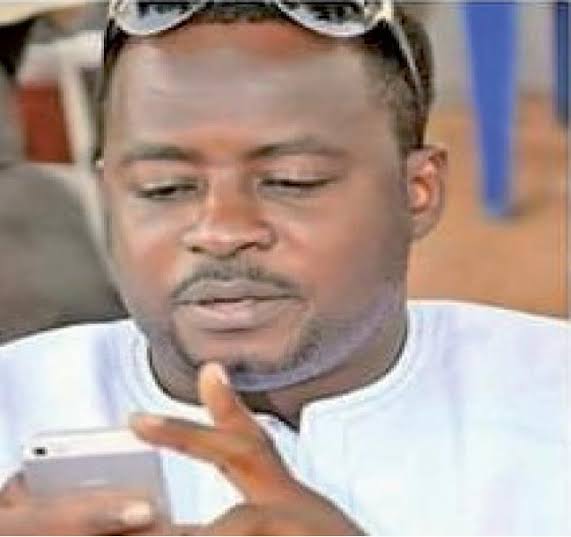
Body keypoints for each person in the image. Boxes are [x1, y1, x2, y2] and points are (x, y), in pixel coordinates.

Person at [0, 1, 567, 535]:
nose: (222, 231)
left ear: (416, 191)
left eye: (292, 181)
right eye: (164, 188)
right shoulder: (17, 402)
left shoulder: (549, 397)